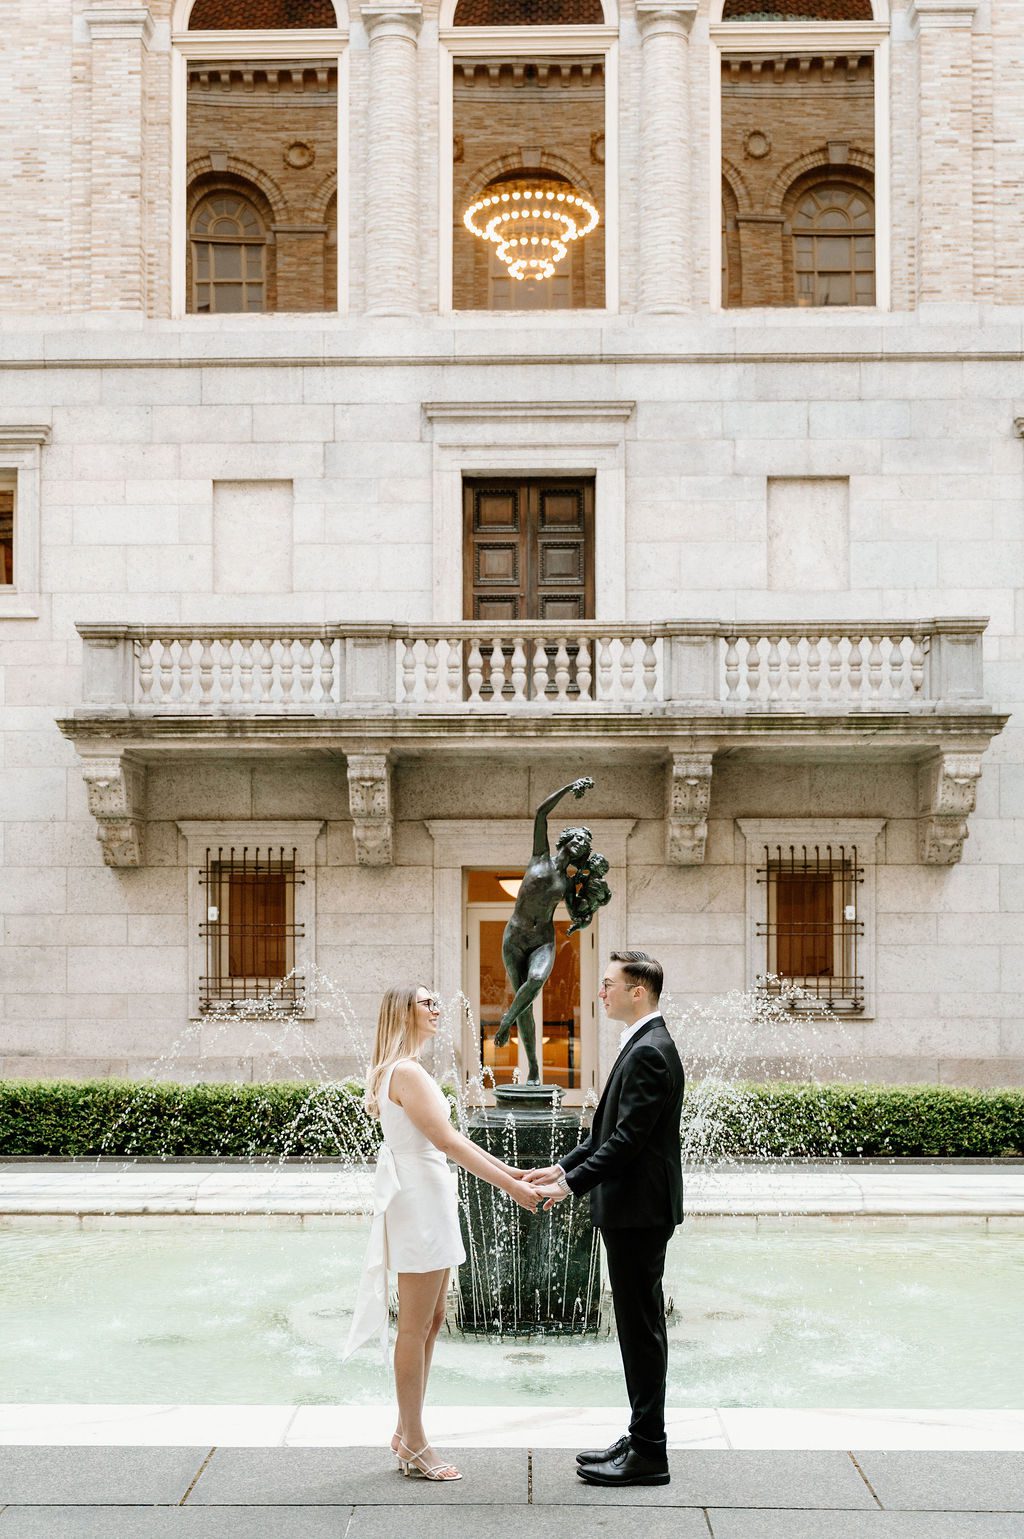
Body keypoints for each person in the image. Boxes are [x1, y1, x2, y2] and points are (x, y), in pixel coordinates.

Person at [344, 985, 540, 1482]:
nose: (436, 1009)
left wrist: (514, 1173)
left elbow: (451, 1142)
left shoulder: (406, 1068)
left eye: (436, 1001)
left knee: (432, 1320)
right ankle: (414, 1441)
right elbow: (447, 1141)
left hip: (427, 1194)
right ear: (402, 1013)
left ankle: (404, 1430)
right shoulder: (406, 1072)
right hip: (418, 1200)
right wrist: (511, 1187)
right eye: (426, 1002)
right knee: (415, 1326)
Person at [525, 950, 684, 1487]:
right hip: (634, 1210)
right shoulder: (642, 1043)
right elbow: (603, 1135)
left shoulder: (651, 1051)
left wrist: (568, 1186)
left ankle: (649, 1451)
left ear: (638, 991)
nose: (601, 992)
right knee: (638, 1329)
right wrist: (559, 1168)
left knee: (641, 1332)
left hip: (639, 1213)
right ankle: (642, 1437)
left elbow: (627, 1142)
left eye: (609, 983)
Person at [493, 775, 596, 1081]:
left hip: (543, 940)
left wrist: (589, 909)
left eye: (585, 844)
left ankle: (506, 1020)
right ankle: (534, 1067)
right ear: (567, 839)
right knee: (525, 1005)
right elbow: (541, 813)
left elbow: (577, 913)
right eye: (578, 838)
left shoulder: (568, 882)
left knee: (536, 980)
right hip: (515, 937)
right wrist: (569, 788)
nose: (580, 844)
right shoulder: (540, 856)